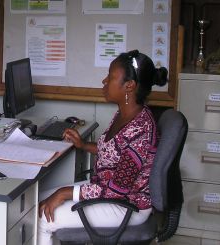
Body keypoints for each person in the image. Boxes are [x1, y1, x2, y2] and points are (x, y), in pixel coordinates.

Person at [37, 50, 168, 245]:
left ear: (129, 86)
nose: (104, 81)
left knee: (43, 216)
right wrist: (82, 144)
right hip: (106, 191)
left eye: (111, 77)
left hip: (126, 205)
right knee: (36, 200)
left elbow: (118, 189)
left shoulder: (141, 129)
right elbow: (114, 152)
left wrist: (64, 193)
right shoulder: (124, 114)